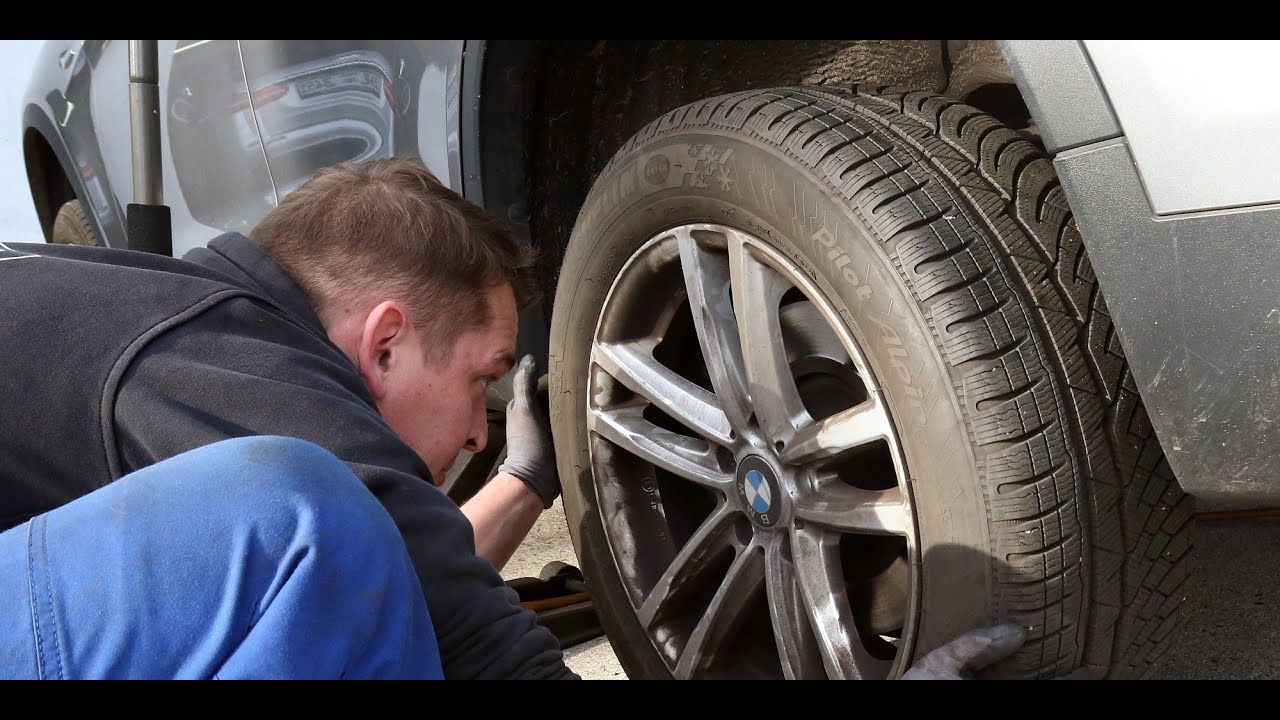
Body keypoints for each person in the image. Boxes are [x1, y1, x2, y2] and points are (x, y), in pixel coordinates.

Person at [0, 157, 1022, 679]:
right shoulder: (213, 353)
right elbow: (471, 641)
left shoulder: (156, 332)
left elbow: (394, 591)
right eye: (484, 382)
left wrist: (524, 486)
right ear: (385, 341)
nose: (483, 428)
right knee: (295, 517)